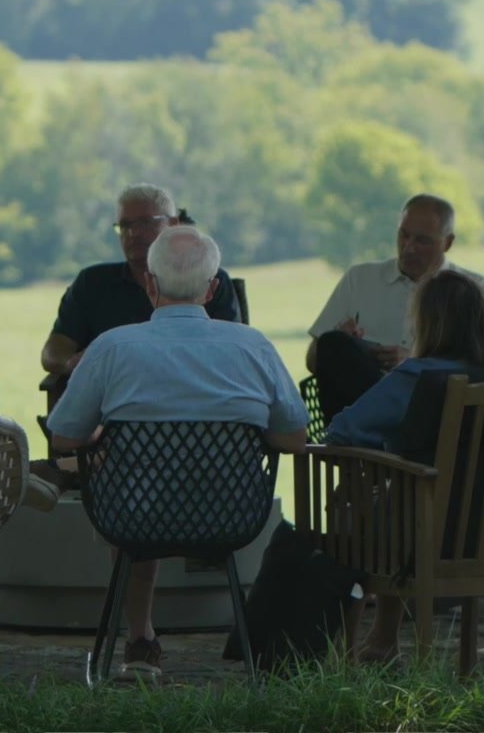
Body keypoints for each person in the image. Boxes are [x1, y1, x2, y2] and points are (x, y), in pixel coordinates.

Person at [47, 226, 308, 679]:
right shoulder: (254, 347)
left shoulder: (112, 347)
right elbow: (294, 438)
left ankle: (139, 639)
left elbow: (63, 437)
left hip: (133, 515)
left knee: (126, 482)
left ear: (150, 283)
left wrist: (102, 440)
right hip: (232, 513)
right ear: (213, 289)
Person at [324, 268, 484, 662]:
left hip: (430, 533)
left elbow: (342, 433)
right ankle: (383, 640)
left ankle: (339, 658)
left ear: (428, 321)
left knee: (360, 510)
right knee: (404, 498)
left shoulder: (419, 376)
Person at [40, 184, 242, 412]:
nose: (133, 233)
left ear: (173, 224)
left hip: (197, 404)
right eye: (125, 225)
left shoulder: (206, 279)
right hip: (110, 411)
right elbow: (52, 354)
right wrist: (77, 362)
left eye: (145, 222)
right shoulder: (92, 283)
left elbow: (231, 355)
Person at [307, 194, 484, 424]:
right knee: (334, 344)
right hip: (365, 408)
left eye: (422, 241)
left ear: (448, 243)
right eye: (403, 235)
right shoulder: (360, 279)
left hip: (438, 415)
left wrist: (413, 365)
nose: (408, 248)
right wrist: (345, 342)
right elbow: (313, 361)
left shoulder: (473, 289)